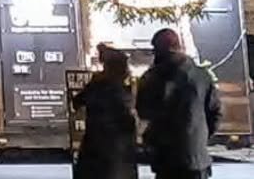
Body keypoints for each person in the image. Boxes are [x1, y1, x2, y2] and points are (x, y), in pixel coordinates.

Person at [135, 28, 221, 179]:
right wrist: (200, 138)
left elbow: (143, 111)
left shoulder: (152, 77)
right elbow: (215, 113)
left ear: (159, 50)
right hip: (197, 158)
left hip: (167, 158)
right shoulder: (202, 76)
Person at [72, 46, 138, 179]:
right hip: (114, 155)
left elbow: (77, 102)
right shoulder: (118, 91)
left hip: (95, 151)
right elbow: (128, 122)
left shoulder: (97, 86)